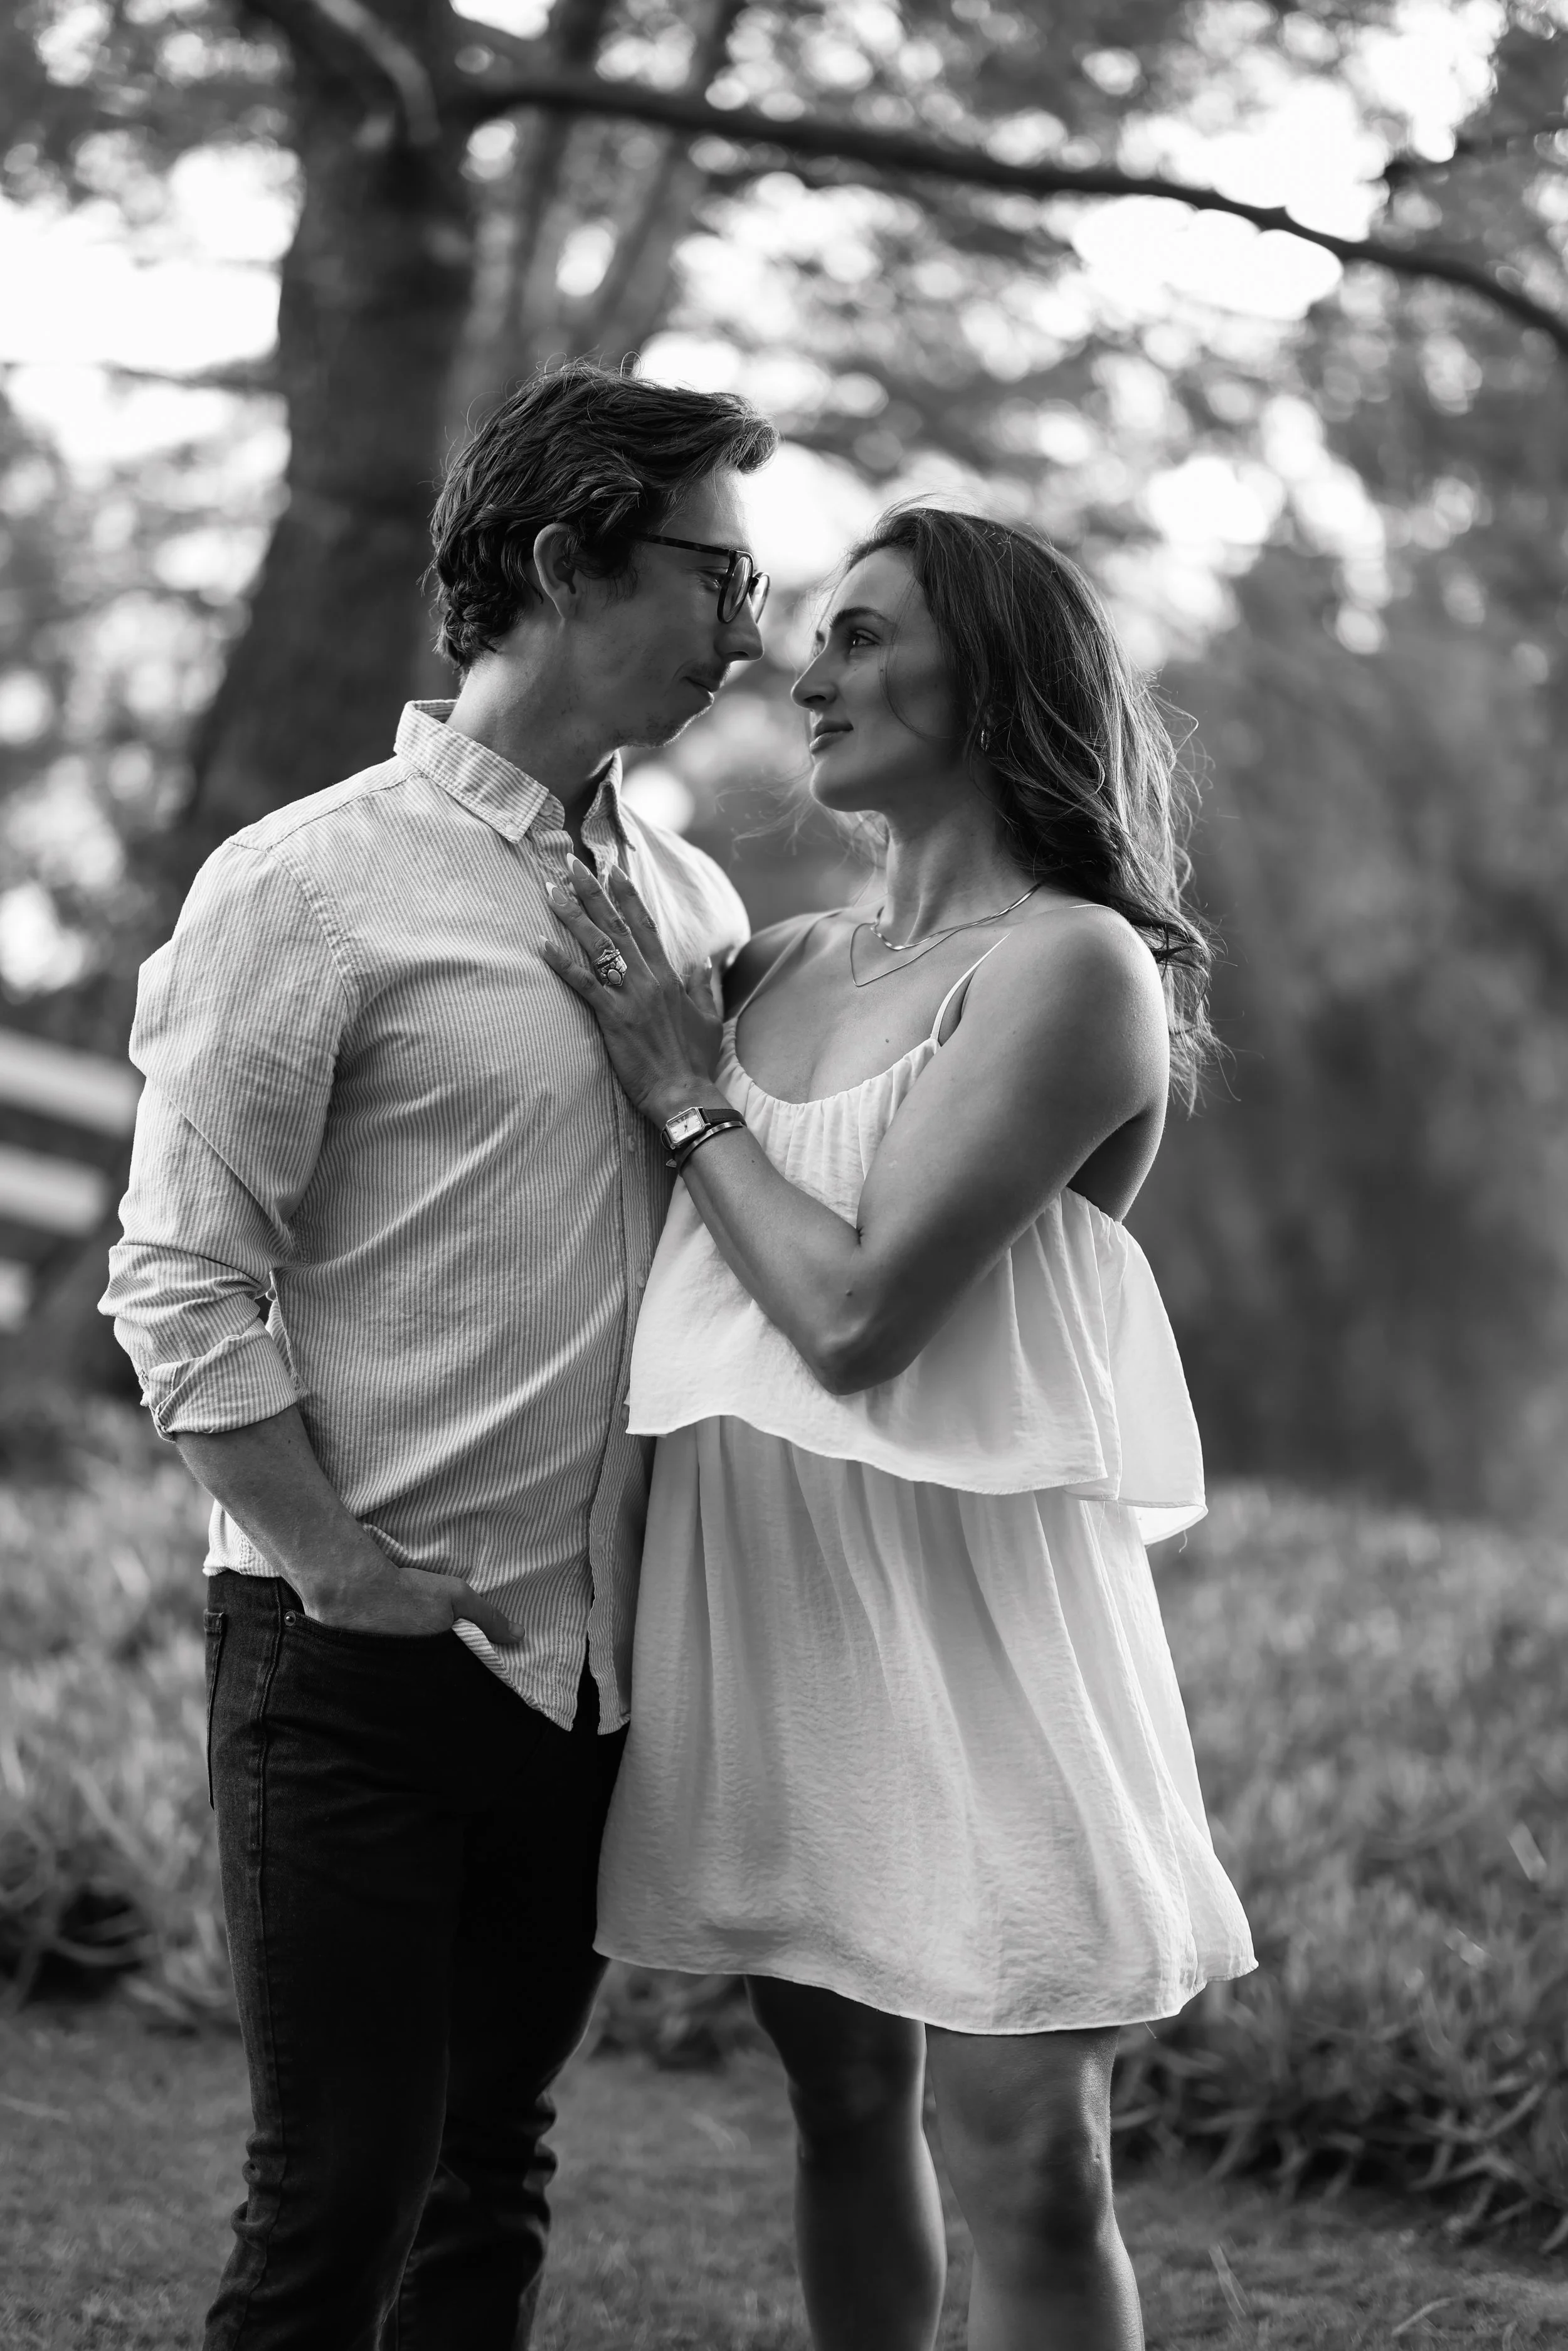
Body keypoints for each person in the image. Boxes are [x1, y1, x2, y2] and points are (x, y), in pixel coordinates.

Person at [100, 359, 775, 2351]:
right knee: (335, 2217)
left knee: (490, 2190)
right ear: (567, 560)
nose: (750, 630)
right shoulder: (303, 884)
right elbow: (177, 1277)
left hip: (589, 1684)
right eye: (716, 576)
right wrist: (331, 1565)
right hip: (355, 1661)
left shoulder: (695, 901)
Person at [541, 504, 1256, 2351]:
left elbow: (859, 1318)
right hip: (773, 1614)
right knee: (843, 2102)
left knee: (1031, 2155)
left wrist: (693, 1101)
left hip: (983, 1634)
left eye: (862, 634)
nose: (810, 666)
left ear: (999, 673)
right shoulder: (773, 962)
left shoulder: (1072, 969)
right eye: (815, 632)